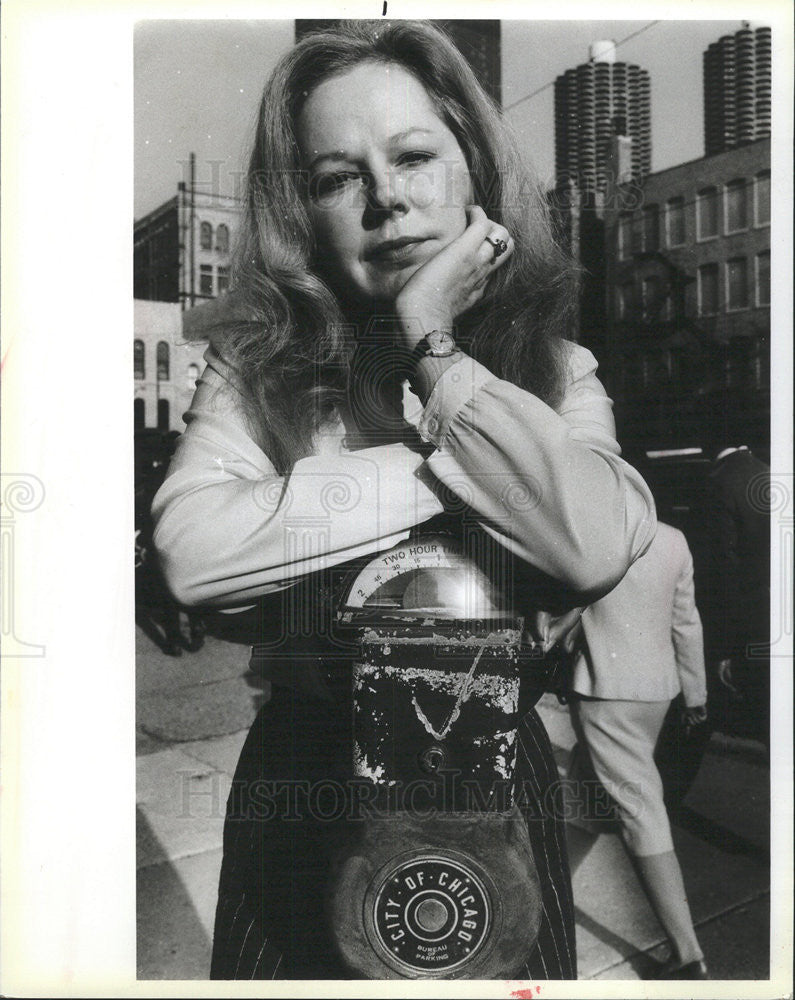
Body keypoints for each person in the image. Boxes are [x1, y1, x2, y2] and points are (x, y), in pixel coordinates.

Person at [152, 20, 656, 980]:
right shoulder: (254, 371)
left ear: (472, 171)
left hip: (496, 790)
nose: (386, 199)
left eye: (415, 155)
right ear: (302, 213)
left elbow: (593, 542)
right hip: (305, 789)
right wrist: (456, 462)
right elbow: (190, 553)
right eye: (339, 176)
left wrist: (434, 344)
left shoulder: (556, 370)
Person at [565, 522, 709, 980]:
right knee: (587, 796)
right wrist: (696, 693)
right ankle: (541, 900)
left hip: (605, 691)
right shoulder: (674, 539)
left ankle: (688, 954)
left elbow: (559, 612)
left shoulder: (592, 537)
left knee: (636, 807)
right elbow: (686, 622)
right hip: (657, 691)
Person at [704, 444, 770, 746]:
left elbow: (723, 573)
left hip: (745, 630)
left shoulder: (719, 482)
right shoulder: (767, 473)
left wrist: (724, 649)